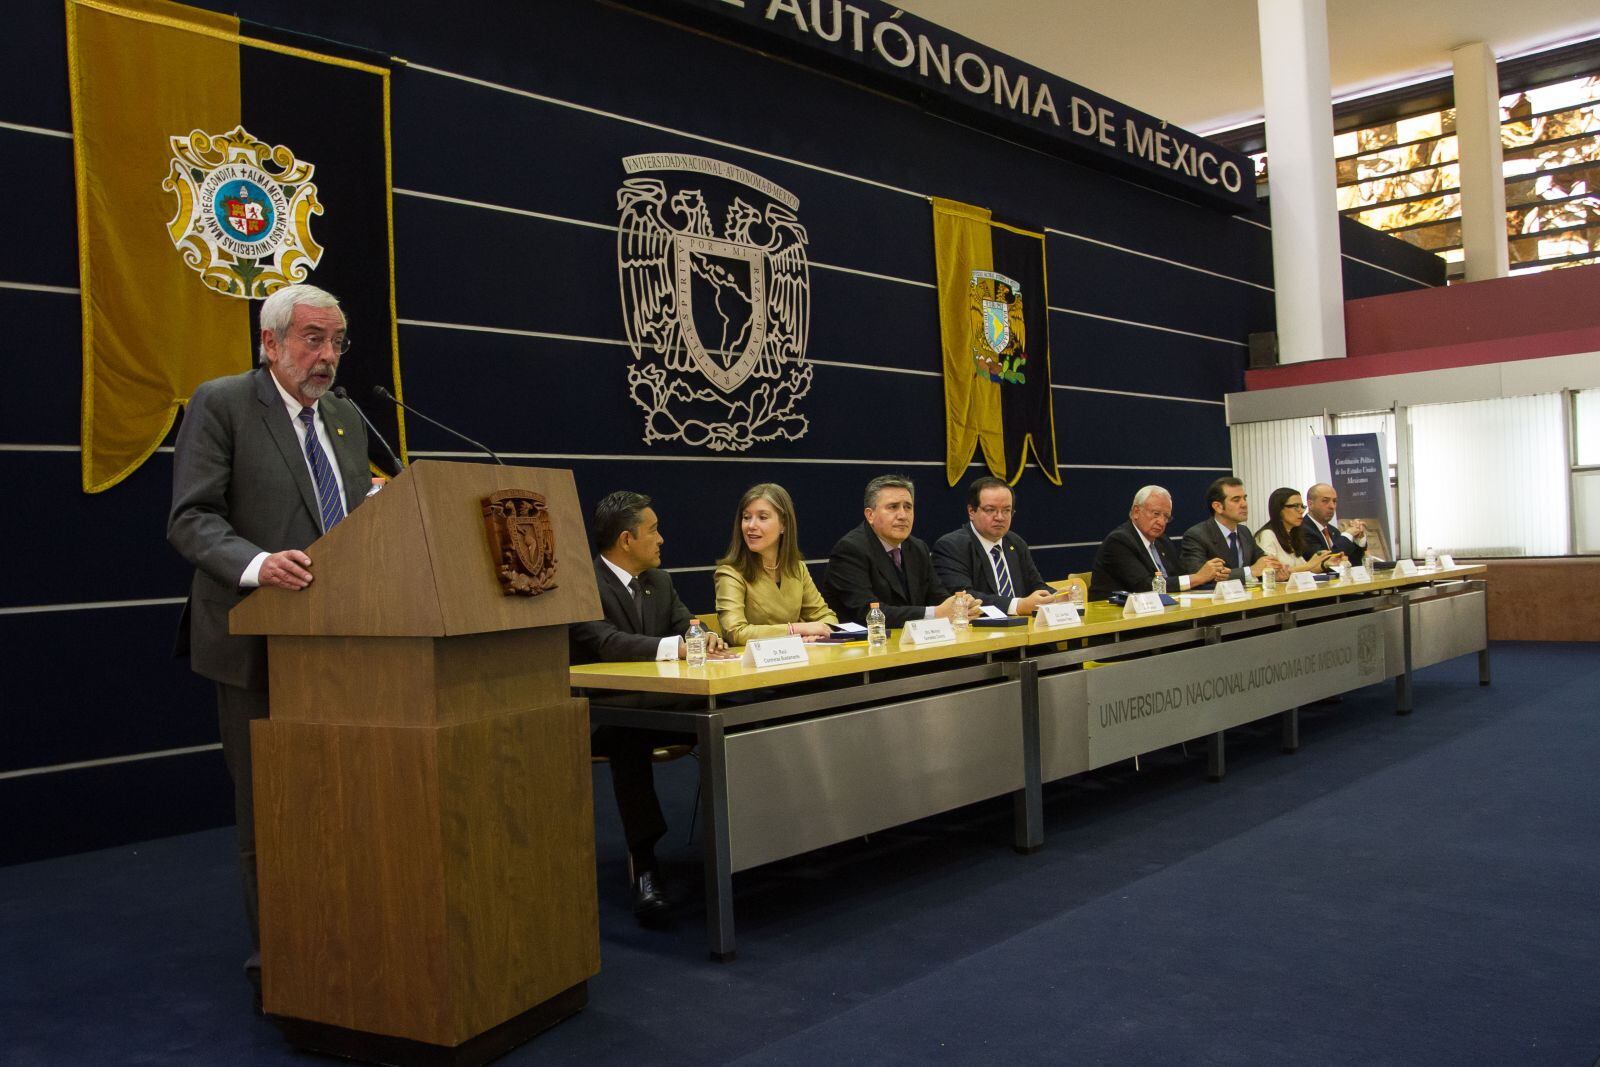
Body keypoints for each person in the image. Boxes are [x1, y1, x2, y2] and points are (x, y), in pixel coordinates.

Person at [167, 283, 372, 1006]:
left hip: (344, 645)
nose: (326, 355)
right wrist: (259, 565)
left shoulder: (346, 418)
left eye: (337, 340)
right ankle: (278, 958)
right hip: (254, 641)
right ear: (270, 342)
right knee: (271, 807)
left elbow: (349, 515)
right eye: (312, 339)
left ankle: (352, 932)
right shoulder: (222, 403)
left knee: (347, 799)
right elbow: (192, 519)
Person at [570, 490, 729, 923]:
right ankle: (645, 867)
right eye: (654, 530)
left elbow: (686, 626)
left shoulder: (660, 580)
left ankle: (743, 845)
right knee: (628, 737)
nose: (662, 539)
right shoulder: (581, 582)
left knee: (732, 717)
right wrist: (675, 647)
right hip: (605, 714)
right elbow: (604, 643)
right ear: (626, 539)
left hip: (666, 706)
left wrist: (704, 638)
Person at [822, 474, 974, 627]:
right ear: (870, 515)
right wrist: (935, 613)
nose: (902, 515)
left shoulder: (917, 547)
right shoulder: (850, 550)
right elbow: (866, 612)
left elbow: (937, 596)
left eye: (908, 507)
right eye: (893, 507)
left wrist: (959, 605)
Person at [713, 483, 837, 644]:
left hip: (797, 660)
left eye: (762, 517)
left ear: (783, 524)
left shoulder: (797, 568)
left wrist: (818, 634)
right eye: (746, 517)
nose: (751, 526)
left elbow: (827, 617)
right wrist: (796, 630)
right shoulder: (730, 572)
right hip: (753, 666)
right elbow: (735, 632)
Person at [931, 476, 1057, 615]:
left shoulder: (1015, 542)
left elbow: (1036, 585)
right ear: (971, 512)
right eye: (990, 510)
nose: (1000, 517)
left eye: (1006, 510)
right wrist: (1018, 606)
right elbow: (964, 597)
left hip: (1023, 629)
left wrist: (1059, 598)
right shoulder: (951, 546)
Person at [1090, 485, 1228, 598]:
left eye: (1166, 517)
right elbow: (1145, 586)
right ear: (1136, 512)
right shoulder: (1119, 541)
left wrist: (1212, 576)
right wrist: (1198, 578)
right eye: (1156, 514)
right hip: (1120, 620)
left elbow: (1178, 576)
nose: (1161, 522)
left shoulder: (1162, 541)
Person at [1179, 477, 1291, 584]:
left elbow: (1262, 562)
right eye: (1236, 500)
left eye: (1245, 498)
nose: (1244, 504)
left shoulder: (1244, 532)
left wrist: (1272, 571)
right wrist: (1250, 571)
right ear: (1218, 507)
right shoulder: (1197, 535)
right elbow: (1199, 577)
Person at [1256, 487, 1339, 573]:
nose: (1301, 511)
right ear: (1279, 509)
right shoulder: (1267, 535)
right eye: (1296, 506)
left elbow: (1304, 570)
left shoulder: (1292, 534)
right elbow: (1270, 572)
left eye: (1302, 506)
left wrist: (1325, 564)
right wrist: (1309, 565)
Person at [1302, 482, 1369, 566]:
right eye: (1325, 501)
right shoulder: (1302, 530)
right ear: (1310, 504)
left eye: (1334, 501)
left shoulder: (1333, 531)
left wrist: (1358, 539)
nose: (1332, 506)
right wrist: (1348, 534)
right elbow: (1326, 562)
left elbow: (1354, 563)